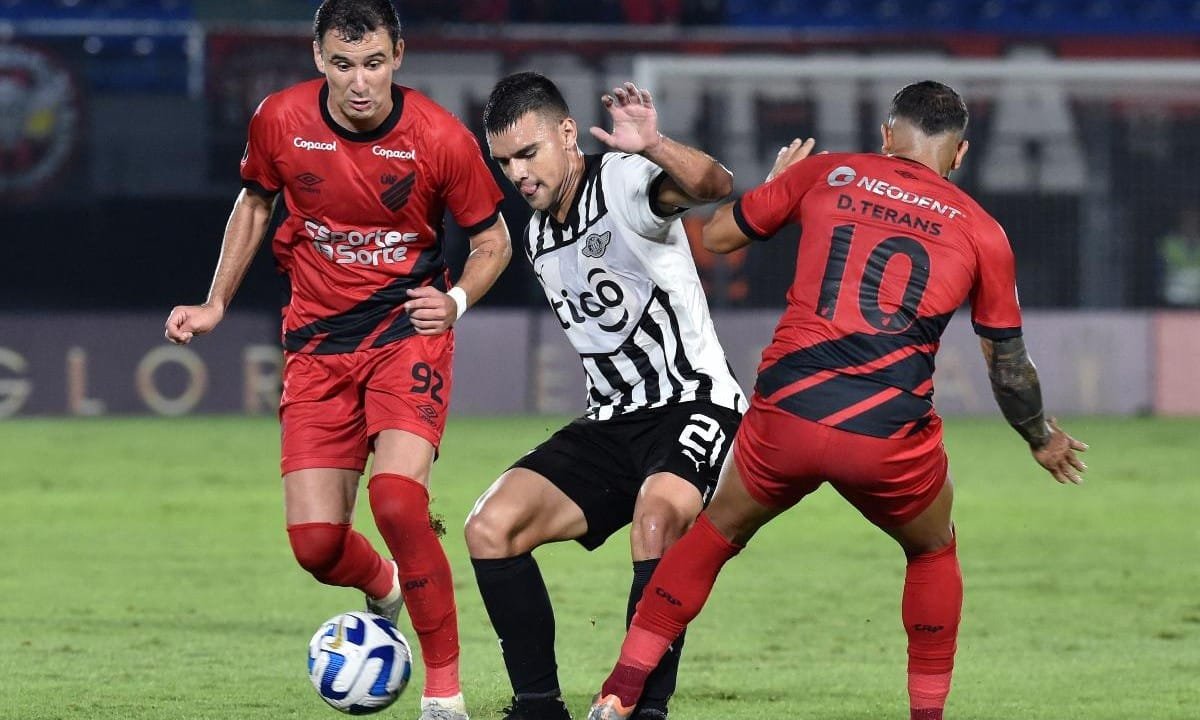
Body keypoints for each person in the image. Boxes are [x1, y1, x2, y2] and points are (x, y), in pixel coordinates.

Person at [587, 81, 1089, 720]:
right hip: (884, 436)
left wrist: (776, 185)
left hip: (788, 413)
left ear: (886, 134)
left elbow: (714, 238)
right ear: (959, 155)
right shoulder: (982, 231)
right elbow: (1008, 365)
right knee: (933, 550)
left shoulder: (827, 173)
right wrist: (1040, 437)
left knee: (714, 533)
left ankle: (619, 691)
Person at [163, 2, 511, 719]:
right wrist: (215, 303)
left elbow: (493, 241)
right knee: (318, 544)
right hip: (317, 346)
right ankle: (385, 583)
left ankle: (444, 693)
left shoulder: (439, 138)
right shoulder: (280, 121)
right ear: (319, 58)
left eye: (375, 62)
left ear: (399, 57)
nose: (360, 82)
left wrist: (456, 304)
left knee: (396, 500)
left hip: (404, 332)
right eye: (344, 64)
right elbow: (255, 204)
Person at [465, 72, 746, 720]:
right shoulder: (536, 233)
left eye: (528, 153)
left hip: (694, 402)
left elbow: (714, 185)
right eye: (505, 162)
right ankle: (537, 708)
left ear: (567, 134)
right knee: (489, 526)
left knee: (657, 517)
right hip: (611, 422)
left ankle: (642, 709)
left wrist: (653, 145)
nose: (518, 173)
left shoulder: (621, 180)